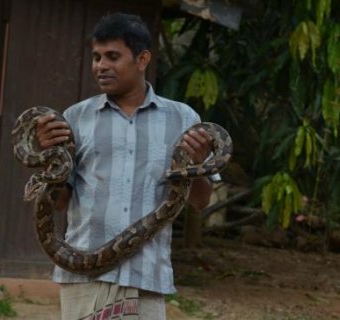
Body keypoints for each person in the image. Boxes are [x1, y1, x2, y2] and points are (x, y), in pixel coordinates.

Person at [35, 12, 214, 320]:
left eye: (112, 57)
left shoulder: (183, 119)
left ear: (142, 59)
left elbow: (201, 201)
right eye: (96, 57)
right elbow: (61, 203)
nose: (101, 66)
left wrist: (195, 166)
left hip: (146, 278)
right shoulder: (75, 119)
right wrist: (48, 154)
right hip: (83, 277)